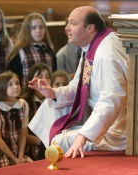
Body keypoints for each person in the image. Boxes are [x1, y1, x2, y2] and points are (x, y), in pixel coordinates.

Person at [28, 6, 128, 158]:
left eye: (73, 23)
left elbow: (111, 100)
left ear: (89, 28)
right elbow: (79, 86)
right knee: (48, 108)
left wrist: (82, 136)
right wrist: (53, 92)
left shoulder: (105, 53)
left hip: (118, 130)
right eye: (68, 23)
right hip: (102, 120)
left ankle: (44, 163)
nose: (67, 28)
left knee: (59, 141)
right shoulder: (93, 45)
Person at [0, 71, 32, 170]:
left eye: (17, 83)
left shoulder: (23, 104)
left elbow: (22, 135)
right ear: (2, 88)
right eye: (10, 84)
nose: (16, 87)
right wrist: (14, 159)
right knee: (8, 168)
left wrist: (20, 157)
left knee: (30, 167)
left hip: (16, 150)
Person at [6, 12, 57, 88]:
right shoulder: (19, 51)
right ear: (27, 30)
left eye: (41, 27)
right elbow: (11, 77)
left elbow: (54, 74)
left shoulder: (49, 51)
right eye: (34, 28)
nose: (38, 31)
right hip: (25, 95)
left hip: (46, 95)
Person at [21, 63, 52, 160]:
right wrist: (44, 142)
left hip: (53, 142)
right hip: (35, 144)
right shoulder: (25, 102)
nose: (44, 80)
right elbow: (24, 135)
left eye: (48, 77)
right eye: (40, 77)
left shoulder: (53, 100)